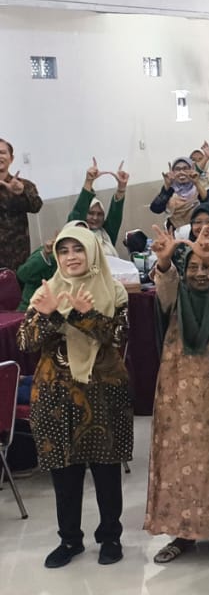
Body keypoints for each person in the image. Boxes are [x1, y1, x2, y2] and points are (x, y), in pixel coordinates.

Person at [22, 224, 134, 568]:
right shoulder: (46, 291)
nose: (71, 257)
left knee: (106, 469)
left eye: (78, 249)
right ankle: (69, 540)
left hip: (103, 391)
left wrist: (85, 315)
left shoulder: (113, 290)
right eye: (64, 250)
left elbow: (118, 337)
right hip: (56, 394)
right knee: (64, 472)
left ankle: (110, 537)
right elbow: (25, 342)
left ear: (92, 251)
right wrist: (49, 314)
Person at [144, 230, 209, 563]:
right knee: (182, 458)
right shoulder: (177, 298)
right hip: (179, 394)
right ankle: (184, 532)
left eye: (205, 267)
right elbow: (165, 287)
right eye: (192, 267)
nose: (199, 274)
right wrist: (164, 263)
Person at [71, 159, 129, 259]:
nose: (95, 217)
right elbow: (78, 212)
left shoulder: (106, 234)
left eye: (100, 214)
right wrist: (89, 181)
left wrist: (121, 189)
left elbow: (115, 216)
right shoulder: (77, 234)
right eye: (91, 213)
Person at [0, 138, 43, 271]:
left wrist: (22, 192)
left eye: (2, 152)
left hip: (17, 260)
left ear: (11, 158)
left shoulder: (24, 185)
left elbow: (36, 206)